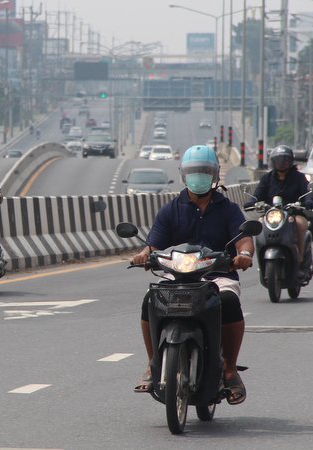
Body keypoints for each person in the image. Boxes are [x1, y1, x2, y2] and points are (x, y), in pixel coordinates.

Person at [130, 145, 254, 406]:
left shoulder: (229, 209)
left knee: (230, 302)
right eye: (194, 172)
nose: (199, 177)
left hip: (218, 276)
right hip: (176, 277)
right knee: (149, 300)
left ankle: (230, 369)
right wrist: (144, 255)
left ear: (215, 175)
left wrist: (244, 255)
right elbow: (154, 245)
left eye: (205, 172)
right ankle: (153, 364)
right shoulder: (171, 210)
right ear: (184, 175)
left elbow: (244, 239)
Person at [243, 145, 313, 278]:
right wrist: (252, 202)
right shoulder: (267, 179)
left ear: (291, 161)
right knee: (259, 224)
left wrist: (308, 201)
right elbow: (258, 194)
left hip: (294, 214)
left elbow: (307, 192)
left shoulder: (299, 178)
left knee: (300, 224)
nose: (282, 164)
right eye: (279, 160)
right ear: (273, 162)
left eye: (285, 160)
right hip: (272, 214)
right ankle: (261, 258)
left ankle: (299, 259)